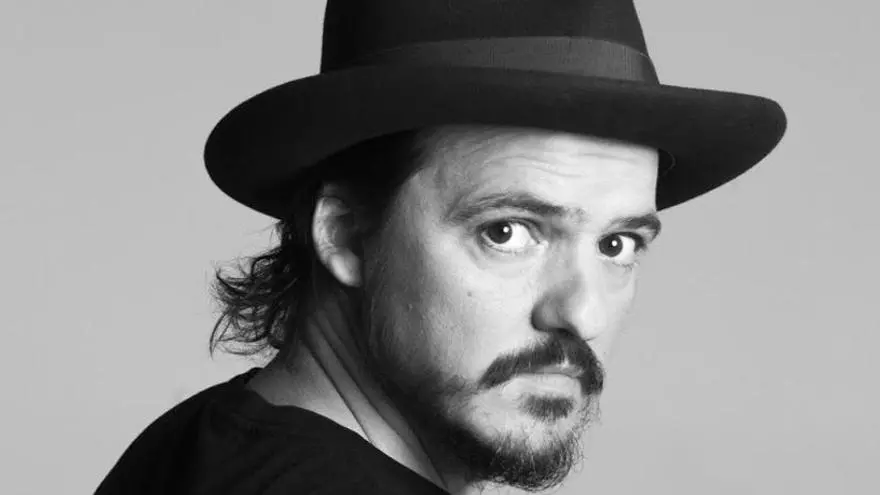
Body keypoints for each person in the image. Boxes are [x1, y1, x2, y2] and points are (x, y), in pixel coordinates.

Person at [95, 0, 786, 493]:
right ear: (345, 233)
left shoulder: (219, 443)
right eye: (507, 232)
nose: (583, 314)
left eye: (617, 243)